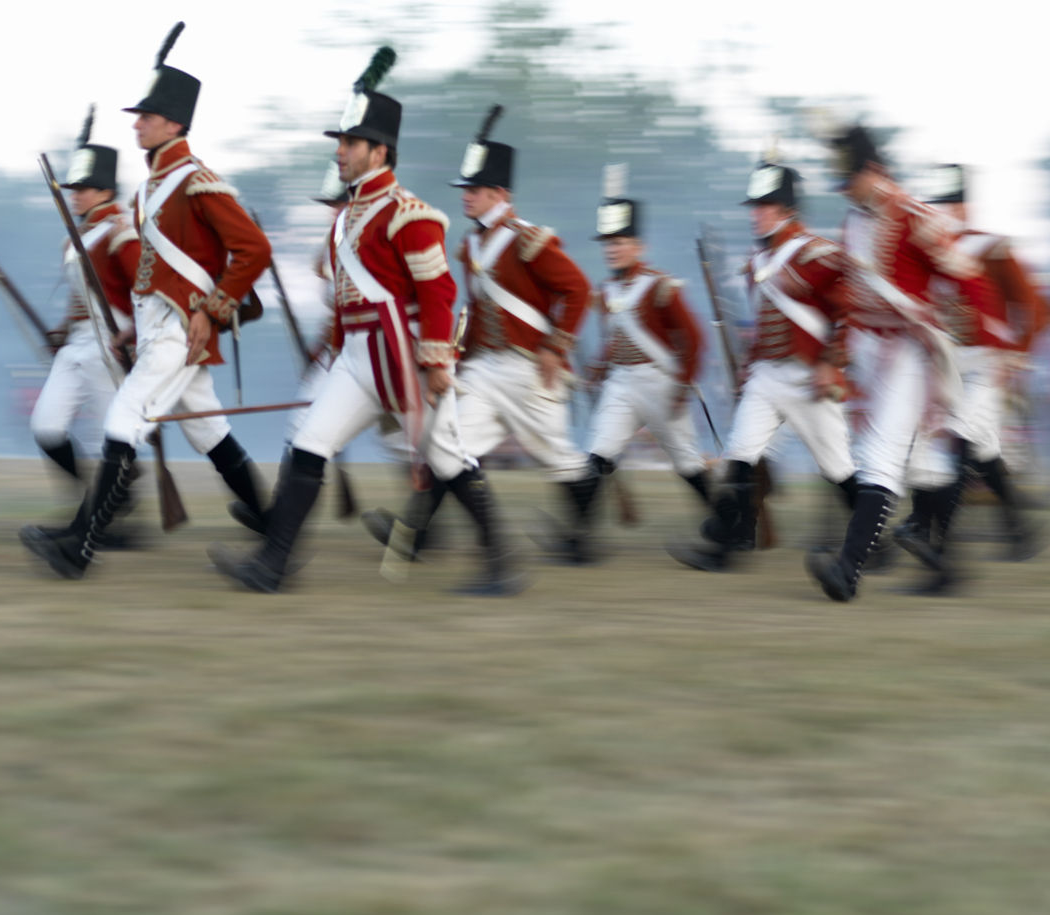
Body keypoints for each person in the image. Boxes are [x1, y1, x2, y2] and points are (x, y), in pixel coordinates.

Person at [210, 47, 520, 596]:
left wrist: (437, 360)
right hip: (358, 356)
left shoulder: (411, 215)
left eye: (350, 144)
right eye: (340, 143)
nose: (340, 153)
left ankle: (504, 566)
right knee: (309, 444)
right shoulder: (347, 217)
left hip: (402, 356)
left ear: (379, 151)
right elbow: (349, 301)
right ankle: (272, 567)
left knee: (448, 459)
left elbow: (439, 290)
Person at [23, 23, 271, 578]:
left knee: (122, 421)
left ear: (175, 123)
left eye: (147, 116)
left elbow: (252, 249)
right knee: (210, 432)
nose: (136, 123)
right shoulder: (152, 189)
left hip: (183, 332)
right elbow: (153, 277)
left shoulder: (195, 180)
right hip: (159, 328)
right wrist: (134, 326)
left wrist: (213, 310)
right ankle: (271, 518)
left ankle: (78, 549)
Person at [359, 105, 595, 561]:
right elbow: (475, 312)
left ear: (500, 192)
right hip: (486, 370)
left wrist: (556, 347)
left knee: (561, 458)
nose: (466, 196)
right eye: (466, 189)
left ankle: (581, 541)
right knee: (450, 445)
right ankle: (416, 538)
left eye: (476, 189)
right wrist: (455, 358)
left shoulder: (530, 241)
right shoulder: (470, 245)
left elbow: (579, 289)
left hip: (530, 372)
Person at [807, 125, 976, 601]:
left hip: (909, 350)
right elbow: (851, 292)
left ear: (874, 170)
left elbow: (963, 271)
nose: (845, 189)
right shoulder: (853, 221)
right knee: (924, 467)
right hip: (869, 348)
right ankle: (946, 564)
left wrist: (967, 330)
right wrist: (839, 350)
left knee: (880, 456)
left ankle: (847, 572)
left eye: (850, 178)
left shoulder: (911, 213)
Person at [669, 160, 855, 572]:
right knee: (740, 455)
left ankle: (870, 540)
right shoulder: (758, 263)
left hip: (809, 377)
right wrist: (747, 369)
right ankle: (726, 548)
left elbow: (847, 311)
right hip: (767, 377)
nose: (756, 212)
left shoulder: (815, 254)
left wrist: (831, 362)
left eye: (765, 205)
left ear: (787, 209)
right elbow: (761, 326)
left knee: (838, 468)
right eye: (755, 205)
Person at [898, 164, 1050, 566]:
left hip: (988, 363)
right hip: (948, 366)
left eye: (952, 201)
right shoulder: (929, 253)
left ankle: (936, 545)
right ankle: (1020, 533)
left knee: (959, 443)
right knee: (984, 451)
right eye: (939, 203)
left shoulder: (990, 248)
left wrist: (1018, 353)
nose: (945, 210)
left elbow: (1036, 307)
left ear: (967, 205)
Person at [21, 127, 139, 538]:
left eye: (85, 189)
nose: (76, 196)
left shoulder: (121, 232)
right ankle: (105, 508)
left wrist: (137, 336)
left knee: (106, 441)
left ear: (105, 191)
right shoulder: (74, 239)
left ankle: (106, 524)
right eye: (75, 189)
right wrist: (61, 329)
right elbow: (81, 299)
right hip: (78, 343)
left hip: (113, 339)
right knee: (46, 427)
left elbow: (143, 289)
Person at [577, 189, 710, 530]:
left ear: (639, 246)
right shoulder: (606, 291)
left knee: (687, 463)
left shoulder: (659, 286)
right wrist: (597, 368)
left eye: (620, 242)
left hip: (660, 383)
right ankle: (578, 537)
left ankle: (727, 523)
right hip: (621, 383)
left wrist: (682, 386)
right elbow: (614, 340)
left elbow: (694, 339)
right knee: (599, 453)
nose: (612, 248)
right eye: (608, 243)